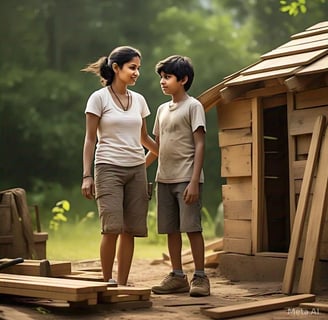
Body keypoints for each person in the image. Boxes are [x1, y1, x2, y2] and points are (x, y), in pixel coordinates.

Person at [81, 46, 158, 286]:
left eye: (138, 69)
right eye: (132, 68)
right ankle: (107, 282)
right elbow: (90, 139)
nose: (137, 73)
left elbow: (144, 138)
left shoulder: (139, 100)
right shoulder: (98, 98)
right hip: (108, 168)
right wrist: (86, 175)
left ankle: (123, 283)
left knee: (130, 230)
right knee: (111, 228)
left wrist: (166, 153)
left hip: (136, 170)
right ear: (116, 68)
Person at [147, 55, 210, 297]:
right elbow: (158, 147)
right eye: (161, 77)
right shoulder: (162, 109)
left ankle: (201, 277)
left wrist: (194, 181)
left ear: (183, 79)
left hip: (186, 178)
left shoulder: (194, 106)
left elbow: (201, 144)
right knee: (170, 229)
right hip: (164, 178)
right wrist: (139, 169)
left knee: (192, 228)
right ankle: (177, 276)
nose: (162, 82)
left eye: (168, 77)